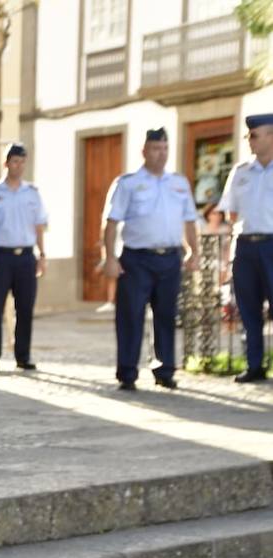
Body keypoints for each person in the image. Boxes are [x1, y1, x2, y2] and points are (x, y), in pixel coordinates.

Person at [102, 127, 199, 391]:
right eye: (156, 148)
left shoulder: (179, 183)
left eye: (165, 148)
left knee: (166, 315)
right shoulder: (128, 183)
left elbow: (190, 221)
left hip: (170, 258)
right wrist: (110, 258)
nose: (161, 153)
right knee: (131, 316)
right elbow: (111, 223)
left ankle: (165, 370)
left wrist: (194, 252)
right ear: (144, 151)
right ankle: (128, 372)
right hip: (136, 260)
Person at [0, 143, 48, 372]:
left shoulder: (32, 193)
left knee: (25, 308)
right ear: (6, 163)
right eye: (15, 161)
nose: (19, 165)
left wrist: (42, 255)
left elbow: (39, 226)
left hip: (26, 256)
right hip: (0, 257)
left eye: (22, 161)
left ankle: (23, 356)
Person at [216, 113, 273, 383]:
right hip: (246, 248)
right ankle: (254, 366)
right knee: (248, 310)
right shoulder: (240, 172)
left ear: (271, 136)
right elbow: (230, 213)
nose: (249, 140)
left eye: (254, 135)